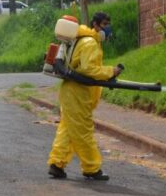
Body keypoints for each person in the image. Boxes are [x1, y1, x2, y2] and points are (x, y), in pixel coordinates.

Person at [47, 12, 122, 181]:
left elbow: (68, 65)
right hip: (78, 93)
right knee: (83, 131)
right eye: (104, 24)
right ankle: (91, 168)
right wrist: (111, 71)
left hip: (70, 92)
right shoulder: (89, 43)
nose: (107, 28)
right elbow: (89, 70)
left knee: (67, 129)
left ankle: (57, 164)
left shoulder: (74, 39)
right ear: (94, 25)